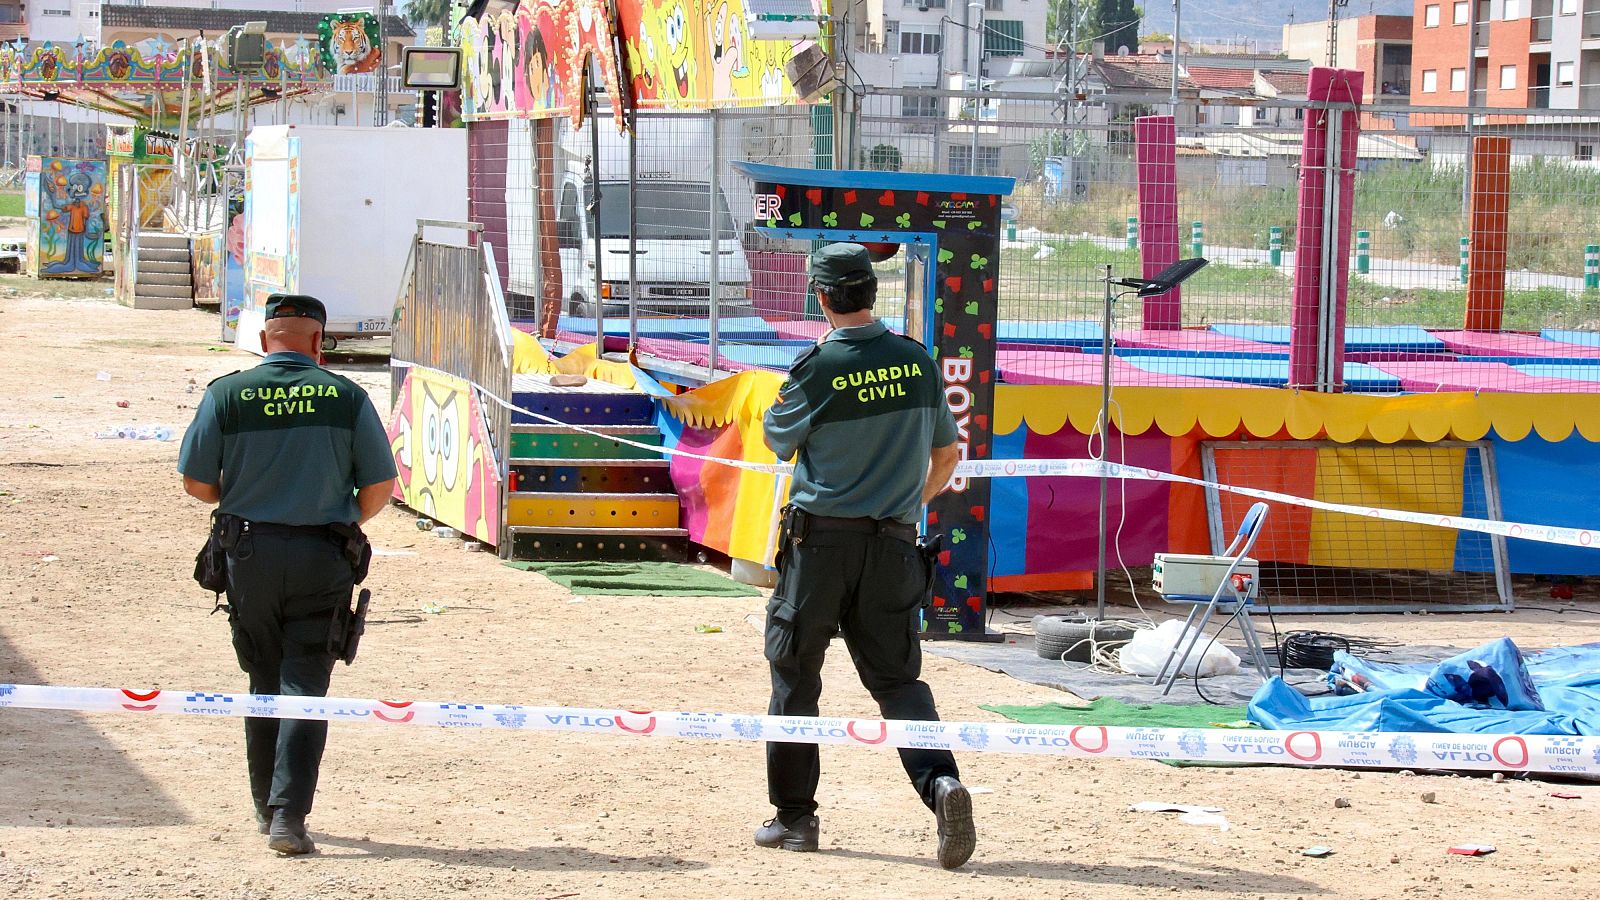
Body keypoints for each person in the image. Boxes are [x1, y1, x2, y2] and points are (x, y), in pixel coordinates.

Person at [756, 243, 973, 869]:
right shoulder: (916, 361)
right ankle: (941, 786)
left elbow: (777, 440)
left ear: (821, 297)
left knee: (795, 676)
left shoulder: (815, 371)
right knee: (900, 682)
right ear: (872, 293)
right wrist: (905, 506)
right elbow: (947, 456)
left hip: (819, 546)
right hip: (895, 546)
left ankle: (795, 820)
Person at [178, 294, 397, 856]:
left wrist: (253, 499)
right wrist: (338, 515)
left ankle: (262, 805)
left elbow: (197, 484)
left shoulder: (226, 393)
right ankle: (288, 817)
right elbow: (378, 486)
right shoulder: (348, 397)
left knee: (263, 680)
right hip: (322, 557)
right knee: (306, 685)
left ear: (262, 339)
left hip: (248, 554)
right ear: (319, 343)